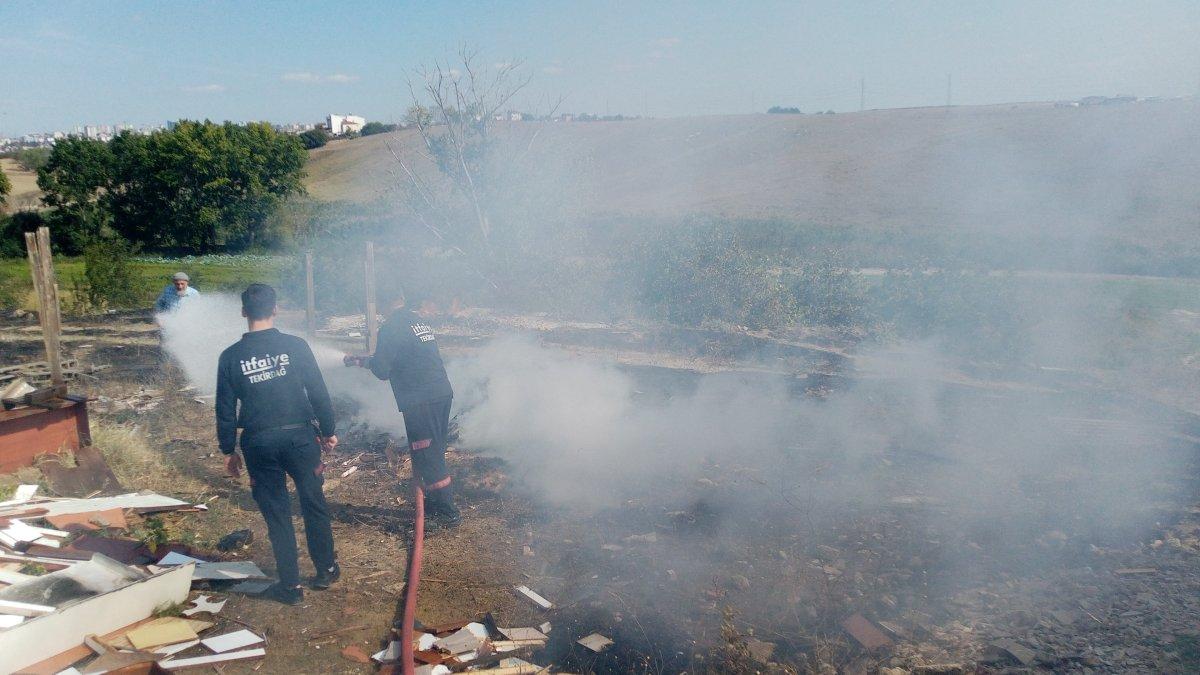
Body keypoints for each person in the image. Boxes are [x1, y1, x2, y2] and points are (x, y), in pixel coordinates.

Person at [215, 283, 340, 605]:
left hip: (258, 443)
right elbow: (318, 391)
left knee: (278, 515)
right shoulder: (296, 346)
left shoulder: (231, 357)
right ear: (276, 309)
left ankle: (290, 586)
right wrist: (328, 430)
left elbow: (225, 408)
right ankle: (326, 569)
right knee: (313, 503)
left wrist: (228, 450)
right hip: (299, 439)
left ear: (243, 312)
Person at [345, 289, 460, 527]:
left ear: (383, 305)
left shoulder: (391, 328)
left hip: (421, 400)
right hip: (439, 393)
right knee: (433, 452)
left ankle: (447, 515)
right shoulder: (417, 321)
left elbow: (382, 370)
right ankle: (436, 504)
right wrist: (367, 359)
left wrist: (364, 363)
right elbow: (404, 356)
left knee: (428, 456)